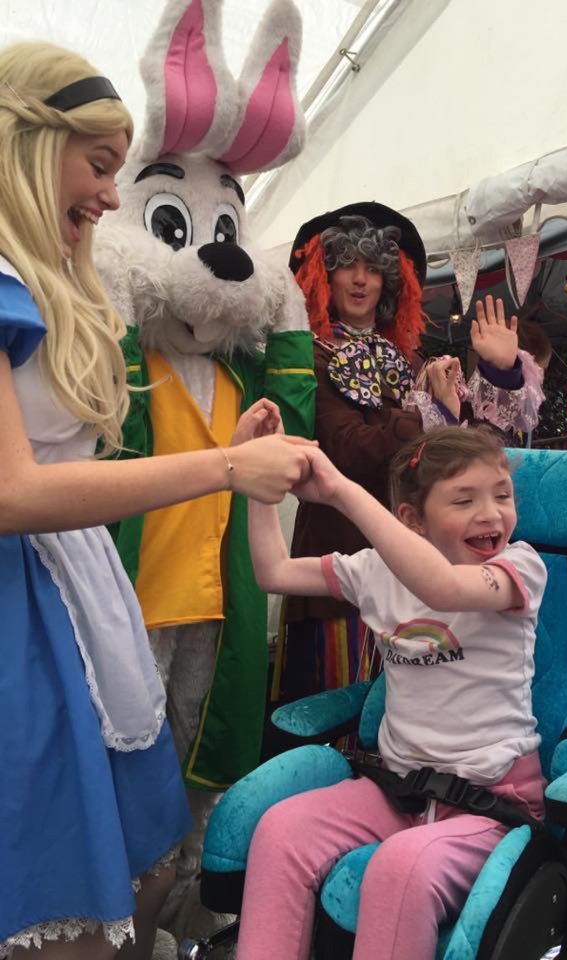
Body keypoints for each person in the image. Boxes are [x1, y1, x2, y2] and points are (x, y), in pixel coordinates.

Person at [0, 43, 312, 959]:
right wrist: (222, 468)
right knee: (60, 892)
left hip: (79, 594)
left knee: (142, 858)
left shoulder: (51, 288)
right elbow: (14, 492)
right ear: (25, 143)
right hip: (26, 613)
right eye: (99, 166)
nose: (109, 194)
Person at [240, 424, 547, 960]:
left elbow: (443, 587)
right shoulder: (373, 572)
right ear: (411, 519)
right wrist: (254, 480)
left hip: (490, 802)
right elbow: (272, 571)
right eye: (464, 499)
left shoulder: (518, 568)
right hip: (397, 787)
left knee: (402, 868)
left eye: (502, 495)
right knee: (280, 829)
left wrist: (340, 490)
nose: (492, 514)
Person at [273, 202, 545, 707]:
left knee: (418, 705)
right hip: (344, 556)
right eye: (345, 266)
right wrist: (427, 415)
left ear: (390, 282)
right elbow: (347, 451)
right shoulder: (306, 354)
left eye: (373, 269)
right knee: (337, 710)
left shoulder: (412, 360)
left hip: (421, 566)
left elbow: (470, 454)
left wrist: (501, 372)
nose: (360, 280)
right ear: (322, 276)